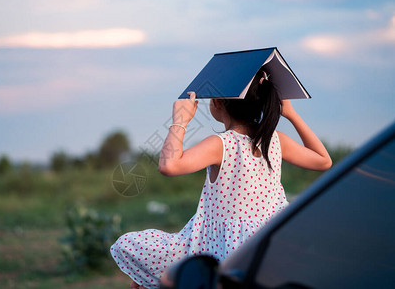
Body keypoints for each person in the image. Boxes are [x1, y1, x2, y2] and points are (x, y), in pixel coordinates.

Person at [110, 70, 332, 289]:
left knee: (129, 246)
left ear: (219, 103)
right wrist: (291, 114)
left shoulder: (222, 143)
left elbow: (169, 165)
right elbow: (324, 161)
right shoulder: (274, 140)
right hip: (271, 242)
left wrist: (180, 121)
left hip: (225, 245)